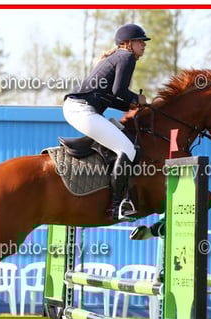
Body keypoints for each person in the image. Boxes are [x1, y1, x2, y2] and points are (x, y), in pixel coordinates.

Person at [63, 23, 150, 221]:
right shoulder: (126, 57)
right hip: (82, 110)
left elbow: (110, 97)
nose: (144, 45)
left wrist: (132, 106)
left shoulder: (118, 57)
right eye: (140, 41)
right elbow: (119, 91)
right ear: (128, 43)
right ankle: (118, 206)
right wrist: (137, 99)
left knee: (124, 138)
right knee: (128, 149)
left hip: (79, 108)